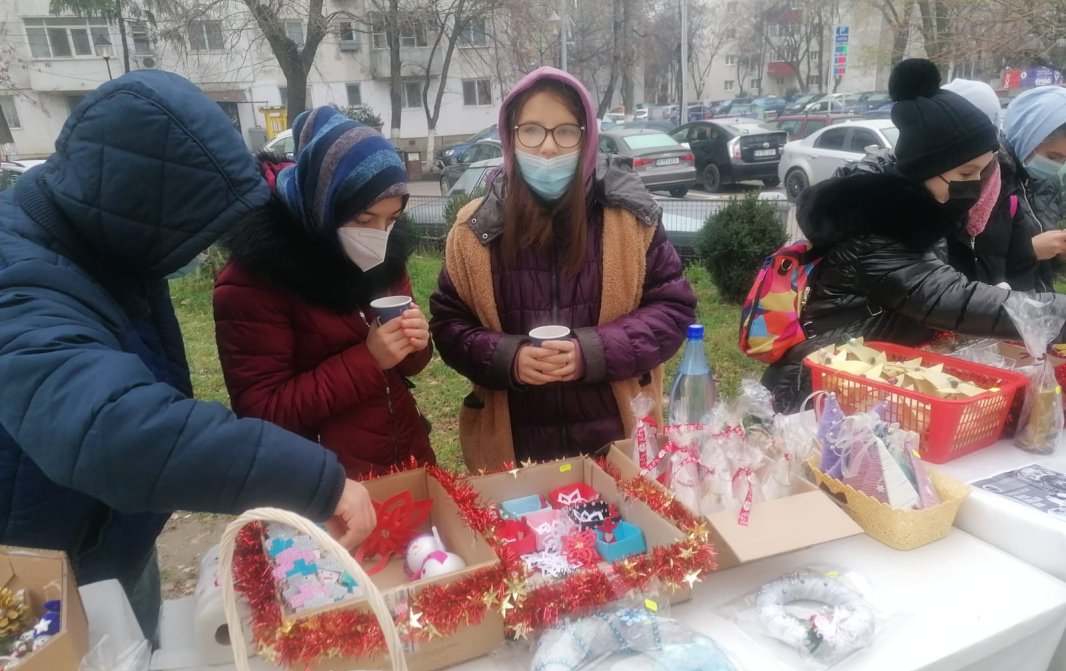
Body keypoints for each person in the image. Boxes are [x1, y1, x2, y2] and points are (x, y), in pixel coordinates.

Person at [0, 72, 375, 639]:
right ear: (140, 206)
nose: (200, 250)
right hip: (36, 581)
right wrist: (314, 480)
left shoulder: (107, 247)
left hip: (109, 541)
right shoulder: (19, 284)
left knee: (146, 665)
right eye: (194, 231)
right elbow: (112, 426)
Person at [429, 67, 696, 471]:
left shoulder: (629, 220)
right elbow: (449, 326)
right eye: (531, 131)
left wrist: (591, 352)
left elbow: (673, 311)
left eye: (566, 132)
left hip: (617, 444)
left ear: (587, 138)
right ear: (510, 137)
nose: (548, 148)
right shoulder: (474, 230)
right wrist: (508, 358)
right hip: (514, 456)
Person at [761, 59, 1066, 412]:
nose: (977, 185)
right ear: (926, 169)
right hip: (815, 393)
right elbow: (951, 298)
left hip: (868, 383)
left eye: (983, 172)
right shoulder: (875, 229)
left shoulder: (931, 210)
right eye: (966, 173)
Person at [214, 107, 435, 479]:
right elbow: (262, 411)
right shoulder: (254, 281)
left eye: (392, 219)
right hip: (323, 480)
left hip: (402, 455)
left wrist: (416, 342)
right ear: (324, 202)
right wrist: (369, 359)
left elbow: (407, 366)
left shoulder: (386, 255)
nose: (379, 235)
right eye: (364, 220)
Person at [941, 78, 1042, 290]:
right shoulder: (922, 199)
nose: (974, 179)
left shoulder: (1007, 196)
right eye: (966, 171)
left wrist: (1011, 301)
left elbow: (1022, 268)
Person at [1004, 86, 1066, 288]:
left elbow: (1044, 262)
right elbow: (973, 262)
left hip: (1039, 298)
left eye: (1064, 160)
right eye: (1053, 156)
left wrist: (1058, 251)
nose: (1057, 166)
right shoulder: (992, 180)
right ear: (1028, 138)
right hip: (1001, 301)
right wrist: (1028, 251)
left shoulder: (1048, 182)